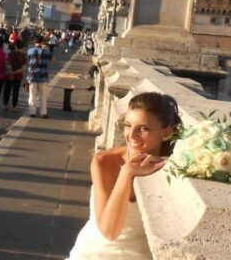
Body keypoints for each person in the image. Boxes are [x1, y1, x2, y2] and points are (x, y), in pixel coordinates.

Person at [67, 92, 179, 260]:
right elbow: (109, 232)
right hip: (92, 254)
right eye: (128, 125)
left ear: (167, 132)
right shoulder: (103, 162)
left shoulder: (171, 168)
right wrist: (127, 172)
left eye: (143, 128)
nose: (132, 135)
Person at [26, 34, 53, 118]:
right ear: (42, 41)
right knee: (43, 95)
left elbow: (28, 60)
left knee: (32, 95)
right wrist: (46, 50)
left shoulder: (29, 51)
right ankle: (43, 112)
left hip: (32, 76)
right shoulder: (46, 51)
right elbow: (53, 59)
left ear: (34, 42)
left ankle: (32, 112)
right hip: (42, 76)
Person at [3, 40, 26, 111]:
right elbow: (23, 69)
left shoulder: (9, 54)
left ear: (16, 46)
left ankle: (5, 105)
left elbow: (5, 64)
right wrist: (14, 73)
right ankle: (14, 106)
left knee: (7, 90)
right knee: (15, 91)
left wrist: (10, 73)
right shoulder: (23, 56)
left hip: (8, 75)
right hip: (18, 76)